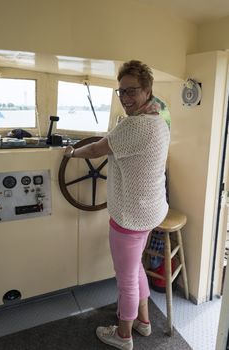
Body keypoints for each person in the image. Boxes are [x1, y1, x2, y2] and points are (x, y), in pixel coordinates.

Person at [64, 60, 170, 350]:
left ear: (147, 90)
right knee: (135, 267)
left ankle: (124, 336)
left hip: (130, 216)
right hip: (152, 210)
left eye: (131, 91)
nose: (124, 98)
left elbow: (98, 148)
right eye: (120, 92)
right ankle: (144, 322)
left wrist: (72, 152)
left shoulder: (134, 126)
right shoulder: (159, 121)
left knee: (125, 278)